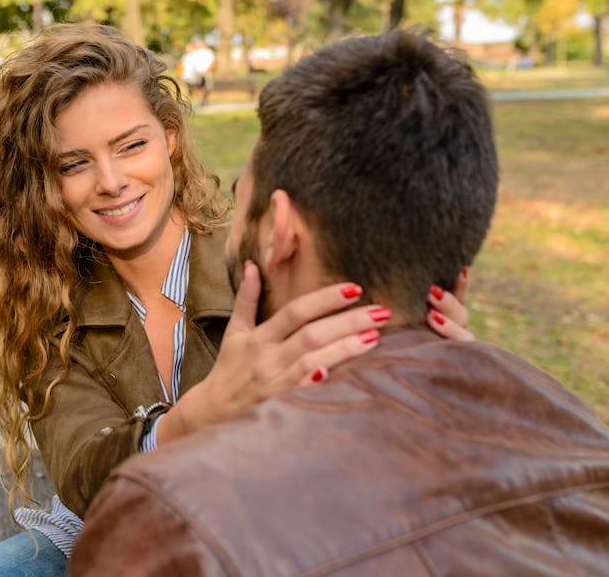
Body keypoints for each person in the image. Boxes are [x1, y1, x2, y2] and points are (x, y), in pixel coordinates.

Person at [69, 30, 609, 575]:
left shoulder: (171, 519)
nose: (111, 182)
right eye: (74, 163)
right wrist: (441, 376)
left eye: (241, 197)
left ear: (281, 231)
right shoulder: (586, 441)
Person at [0, 24, 472, 576]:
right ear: (45, 182)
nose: (111, 180)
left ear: (169, 136)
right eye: (73, 164)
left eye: (132, 145)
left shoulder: (265, 258)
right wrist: (199, 415)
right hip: (119, 538)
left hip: (267, 539)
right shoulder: (45, 298)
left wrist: (434, 365)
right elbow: (81, 473)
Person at [180, 38, 215, 106]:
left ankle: (204, 100)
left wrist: (206, 71)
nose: (198, 45)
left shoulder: (209, 52)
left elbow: (213, 62)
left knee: (206, 87)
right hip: (197, 73)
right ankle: (201, 100)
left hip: (206, 72)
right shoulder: (195, 52)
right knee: (197, 87)